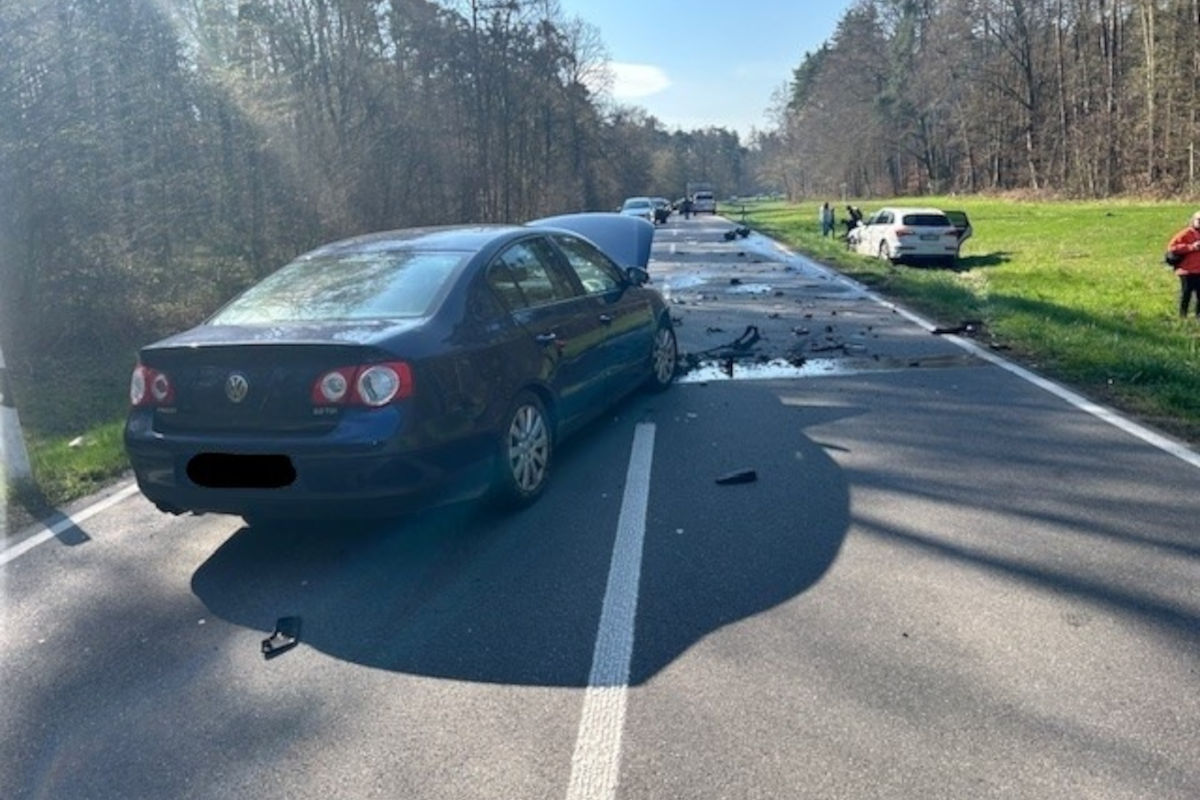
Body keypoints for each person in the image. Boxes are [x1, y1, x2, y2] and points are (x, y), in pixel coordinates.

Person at [1166, 211, 1200, 317]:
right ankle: (1182, 316)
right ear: (1193, 221)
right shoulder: (1186, 233)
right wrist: (1191, 247)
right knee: (1186, 294)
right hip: (1187, 270)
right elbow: (1171, 248)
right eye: (1199, 220)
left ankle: (1198, 317)